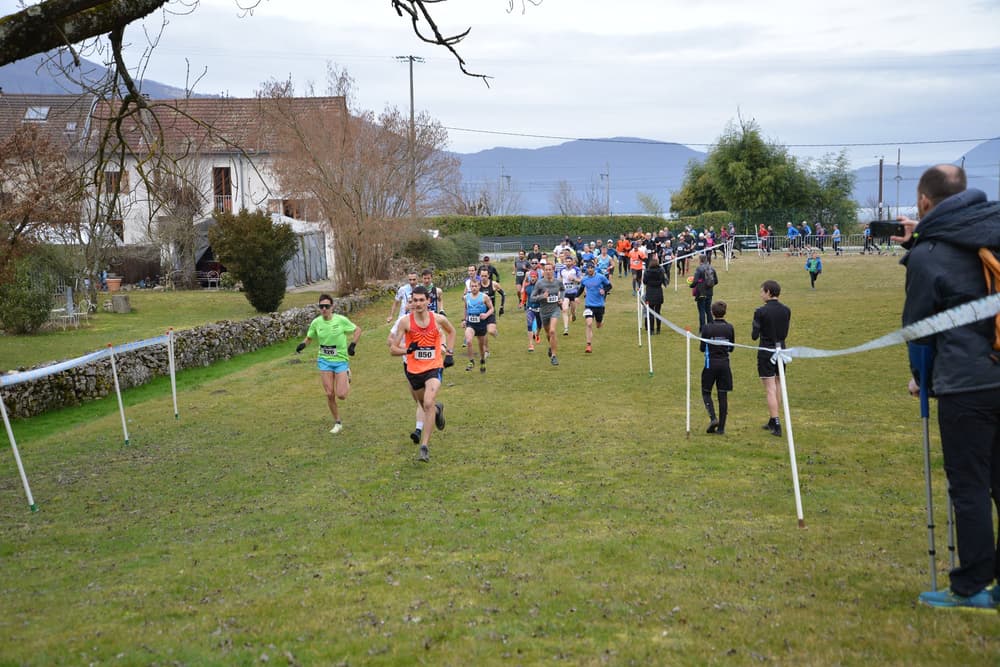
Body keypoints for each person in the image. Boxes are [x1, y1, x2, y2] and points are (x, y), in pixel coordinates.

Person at [895, 164, 1000, 610]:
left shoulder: (929, 252)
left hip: (967, 383)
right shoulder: (990, 227)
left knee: (970, 485)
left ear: (923, 202)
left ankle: (972, 583)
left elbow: (919, 327)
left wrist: (922, 377)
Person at [389, 285, 457, 462]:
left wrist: (449, 353)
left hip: (434, 366)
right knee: (424, 404)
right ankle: (437, 410)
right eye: (415, 300)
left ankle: (424, 447)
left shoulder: (438, 319)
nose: (418, 303)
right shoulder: (405, 322)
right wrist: (407, 350)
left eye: (421, 300)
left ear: (428, 301)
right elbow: (393, 349)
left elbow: (452, 332)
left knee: (427, 403)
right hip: (413, 370)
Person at [296, 294, 363, 434]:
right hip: (324, 361)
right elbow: (309, 337)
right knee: (329, 393)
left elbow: (357, 330)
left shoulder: (341, 320)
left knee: (342, 395)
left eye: (327, 306)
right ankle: (337, 422)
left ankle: (347, 373)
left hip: (340, 361)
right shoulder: (316, 323)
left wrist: (353, 345)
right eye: (321, 306)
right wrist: (302, 345)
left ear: (332, 307)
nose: (324, 309)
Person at [751, 280, 791, 437]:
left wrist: (757, 327)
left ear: (768, 292)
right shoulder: (786, 310)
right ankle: (773, 418)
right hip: (781, 349)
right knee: (778, 384)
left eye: (762, 291)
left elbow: (754, 335)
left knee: (770, 388)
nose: (761, 294)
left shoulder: (760, 311)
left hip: (766, 351)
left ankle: (776, 422)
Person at [699, 301, 735, 434]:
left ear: (712, 313)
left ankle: (713, 418)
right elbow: (731, 348)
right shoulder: (729, 327)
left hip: (710, 365)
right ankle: (721, 428)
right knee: (723, 395)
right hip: (725, 365)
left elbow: (702, 348)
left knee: (706, 392)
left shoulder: (707, 328)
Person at [530, 262, 565, 366]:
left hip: (555, 309)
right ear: (543, 271)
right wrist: (542, 297)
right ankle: (551, 345)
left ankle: (554, 356)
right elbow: (532, 298)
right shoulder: (540, 283)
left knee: (553, 331)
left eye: (550, 270)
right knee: (548, 334)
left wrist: (561, 299)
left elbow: (562, 289)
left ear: (553, 271)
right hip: (544, 311)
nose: (548, 272)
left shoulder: (558, 282)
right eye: (546, 270)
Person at [462, 276, 494, 374]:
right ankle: (471, 361)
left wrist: (486, 315)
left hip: (481, 324)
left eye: (476, 286)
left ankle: (482, 360)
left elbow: (492, 309)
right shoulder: (466, 297)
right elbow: (466, 309)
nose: (474, 288)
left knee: (481, 346)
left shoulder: (484, 297)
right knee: (469, 341)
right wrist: (464, 320)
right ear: (470, 287)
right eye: (472, 286)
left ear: (479, 286)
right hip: (470, 323)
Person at [579, 261, 611, 353]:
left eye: (591, 268)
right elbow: (581, 288)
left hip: (599, 305)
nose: (590, 269)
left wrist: (604, 290)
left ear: (594, 268)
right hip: (589, 305)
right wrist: (576, 297)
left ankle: (600, 321)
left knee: (598, 325)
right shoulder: (584, 279)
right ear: (586, 269)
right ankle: (588, 345)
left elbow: (609, 286)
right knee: (589, 323)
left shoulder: (601, 277)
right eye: (588, 268)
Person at [642, 255, 668, 334]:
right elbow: (664, 281)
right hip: (658, 292)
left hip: (650, 293)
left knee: (650, 313)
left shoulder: (647, 271)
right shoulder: (661, 271)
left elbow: (644, 282)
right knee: (658, 312)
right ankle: (658, 330)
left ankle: (652, 330)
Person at [692, 254, 717, 331]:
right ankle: (711, 326)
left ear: (700, 260)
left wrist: (691, 285)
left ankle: (702, 328)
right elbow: (716, 281)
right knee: (708, 310)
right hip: (709, 291)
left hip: (701, 292)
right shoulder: (712, 268)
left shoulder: (699, 269)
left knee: (702, 310)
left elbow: (695, 281)